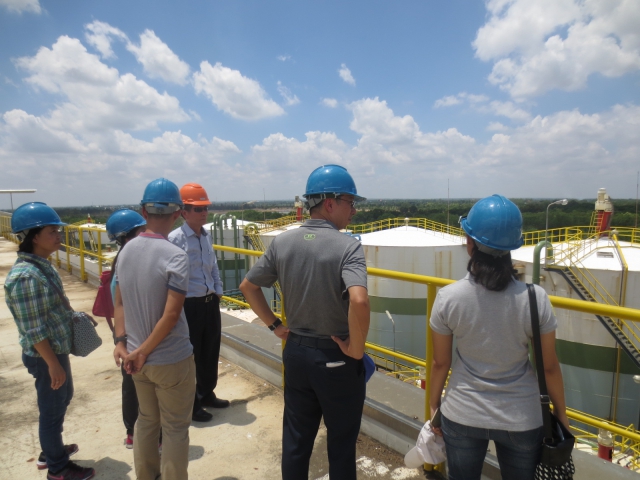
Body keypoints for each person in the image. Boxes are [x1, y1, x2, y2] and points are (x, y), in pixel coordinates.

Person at [240, 164, 370, 480]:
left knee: (296, 440)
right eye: (350, 202)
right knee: (341, 444)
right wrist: (356, 349)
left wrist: (275, 325)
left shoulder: (283, 242)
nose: (354, 210)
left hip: (296, 353)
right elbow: (359, 300)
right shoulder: (348, 246)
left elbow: (248, 286)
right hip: (335, 356)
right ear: (330, 203)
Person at [429, 195, 568, 480]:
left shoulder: (448, 298)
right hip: (521, 417)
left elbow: (440, 363)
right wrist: (562, 416)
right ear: (512, 247)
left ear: (470, 243)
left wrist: (433, 405)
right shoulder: (535, 298)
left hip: (463, 412)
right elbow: (549, 366)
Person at [5, 202, 95, 480]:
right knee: (52, 408)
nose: (58, 235)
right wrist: (53, 364)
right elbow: (33, 329)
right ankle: (57, 468)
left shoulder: (41, 266)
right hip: (46, 356)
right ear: (34, 237)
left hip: (54, 352)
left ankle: (51, 449)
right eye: (52, 231)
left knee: (62, 399)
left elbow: (50, 310)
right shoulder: (25, 277)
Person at [112, 178, 196, 480]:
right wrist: (144, 352)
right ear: (178, 213)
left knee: (146, 420)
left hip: (136, 358)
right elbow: (171, 315)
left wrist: (123, 344)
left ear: (144, 211)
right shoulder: (175, 256)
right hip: (170, 358)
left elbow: (119, 303)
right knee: (175, 428)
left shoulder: (126, 251)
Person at [169, 183, 229, 423]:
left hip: (209, 302)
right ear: (184, 212)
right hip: (189, 305)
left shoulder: (206, 236)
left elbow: (212, 266)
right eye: (197, 209)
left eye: (205, 208)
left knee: (210, 351)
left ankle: (206, 394)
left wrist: (218, 291)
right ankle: (191, 403)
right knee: (191, 355)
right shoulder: (175, 239)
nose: (204, 212)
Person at [105, 209, 146, 448]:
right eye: (142, 231)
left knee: (132, 384)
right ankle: (137, 432)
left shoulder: (121, 260)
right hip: (133, 331)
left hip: (126, 331)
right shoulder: (129, 264)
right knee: (136, 384)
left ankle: (133, 432)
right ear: (128, 236)